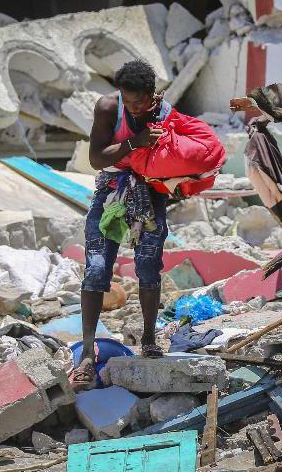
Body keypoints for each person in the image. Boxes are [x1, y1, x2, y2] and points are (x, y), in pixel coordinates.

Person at [69, 59, 170, 389]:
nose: (134, 107)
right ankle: (87, 351)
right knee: (97, 269)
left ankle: (150, 339)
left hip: (149, 192)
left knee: (148, 266)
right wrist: (133, 143)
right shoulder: (109, 107)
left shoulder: (166, 113)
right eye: (129, 101)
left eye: (140, 102)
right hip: (112, 191)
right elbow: (96, 158)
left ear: (152, 95)